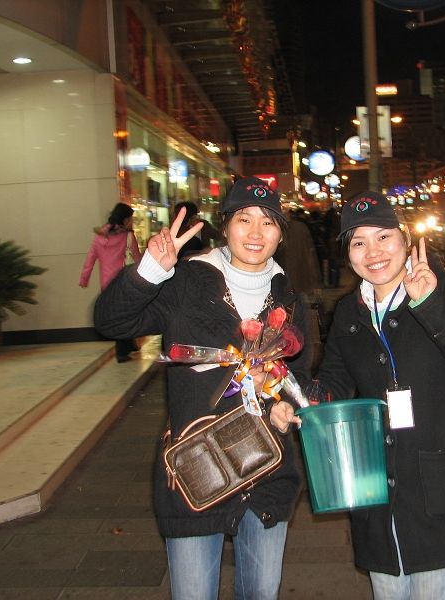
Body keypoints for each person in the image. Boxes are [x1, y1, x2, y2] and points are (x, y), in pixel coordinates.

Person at [93, 177, 313, 600]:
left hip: (267, 470)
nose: (255, 232)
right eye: (244, 219)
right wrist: (150, 271)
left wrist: (285, 404)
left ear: (281, 234)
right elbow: (112, 322)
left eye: (268, 222)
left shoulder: (290, 300)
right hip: (196, 469)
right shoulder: (187, 283)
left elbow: (296, 376)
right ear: (225, 225)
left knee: (261, 592)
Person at [271, 191, 445, 600]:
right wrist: (302, 401)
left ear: (405, 240)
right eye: (359, 242)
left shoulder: (442, 287)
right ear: (348, 254)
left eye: (383, 237)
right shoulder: (350, 310)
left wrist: (428, 303)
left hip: (435, 478)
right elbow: (335, 378)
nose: (373, 252)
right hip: (375, 478)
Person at [79, 202, 142, 362]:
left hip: (106, 283)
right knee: (125, 316)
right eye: (131, 219)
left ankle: (130, 344)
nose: (132, 222)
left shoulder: (99, 236)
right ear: (125, 219)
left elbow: (90, 258)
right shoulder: (128, 236)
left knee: (119, 315)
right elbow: (137, 258)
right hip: (123, 282)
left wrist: (84, 278)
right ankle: (121, 352)